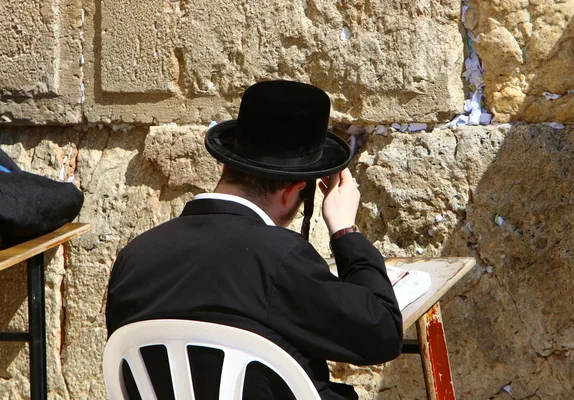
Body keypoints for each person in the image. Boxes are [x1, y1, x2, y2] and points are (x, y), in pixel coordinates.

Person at [105, 80, 403, 399]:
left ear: (225, 164)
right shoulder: (280, 259)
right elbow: (381, 334)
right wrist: (345, 231)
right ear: (293, 190)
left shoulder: (135, 256)